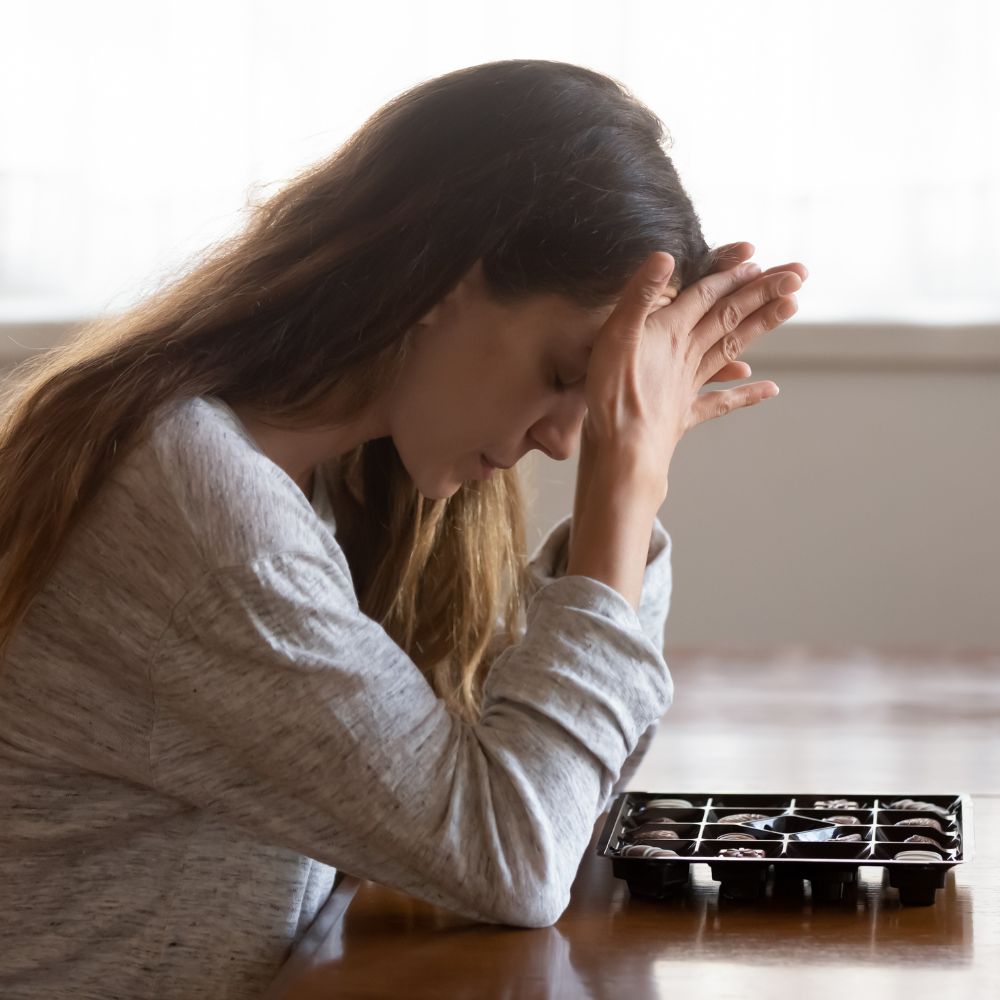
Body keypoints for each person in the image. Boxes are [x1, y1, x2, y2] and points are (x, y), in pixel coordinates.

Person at [0, 59, 805, 999]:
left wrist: (625, 493)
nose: (561, 441)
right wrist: (625, 488)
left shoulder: (332, 477)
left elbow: (561, 797)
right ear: (437, 281)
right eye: (562, 373)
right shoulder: (203, 509)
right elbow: (513, 858)